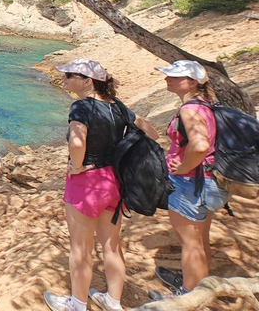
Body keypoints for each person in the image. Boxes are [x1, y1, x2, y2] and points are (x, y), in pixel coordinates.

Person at [44, 59, 159, 311]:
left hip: (86, 182)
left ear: (87, 82)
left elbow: (77, 143)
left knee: (81, 249)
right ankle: (113, 301)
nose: (63, 79)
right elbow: (151, 133)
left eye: (69, 75)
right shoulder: (118, 107)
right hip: (113, 182)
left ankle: (77, 304)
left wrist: (76, 167)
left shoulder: (81, 107)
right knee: (112, 245)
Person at [148, 60, 230, 301]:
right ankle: (197, 284)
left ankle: (190, 298)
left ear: (193, 82)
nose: (167, 79)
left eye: (175, 76)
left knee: (190, 244)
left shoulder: (189, 109)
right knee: (200, 239)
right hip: (210, 181)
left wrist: (183, 167)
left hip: (191, 183)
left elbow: (200, 145)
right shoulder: (208, 105)